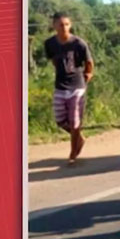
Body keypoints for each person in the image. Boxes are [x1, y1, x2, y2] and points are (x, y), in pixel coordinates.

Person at [44, 12, 94, 164]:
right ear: (54, 26)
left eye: (66, 24)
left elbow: (89, 63)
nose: (64, 27)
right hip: (60, 85)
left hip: (77, 86)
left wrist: (87, 76)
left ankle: (73, 153)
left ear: (70, 25)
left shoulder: (79, 43)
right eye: (60, 24)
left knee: (75, 121)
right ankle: (79, 137)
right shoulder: (50, 43)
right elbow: (53, 61)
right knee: (60, 120)